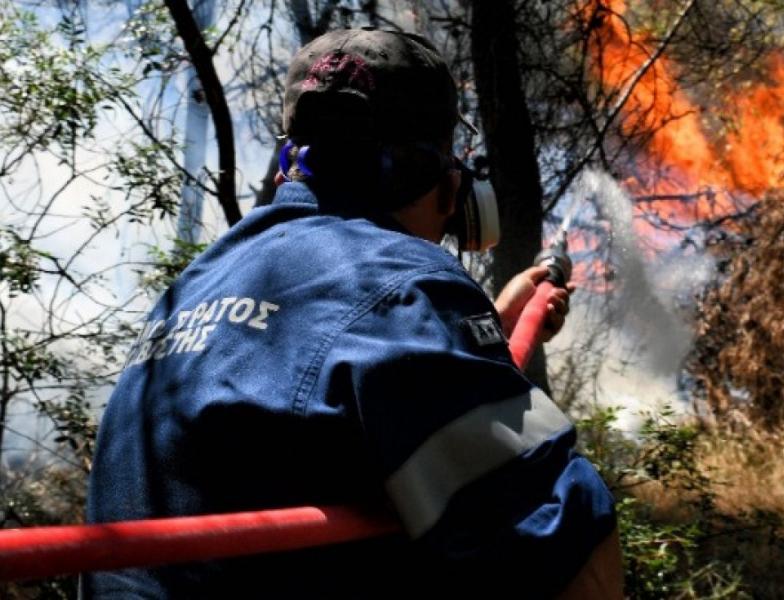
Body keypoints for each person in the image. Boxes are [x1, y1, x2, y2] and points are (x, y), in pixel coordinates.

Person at [84, 29, 622, 598]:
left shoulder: (192, 286)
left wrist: (483, 326)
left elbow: (306, 376)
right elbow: (567, 554)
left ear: (289, 164)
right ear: (445, 182)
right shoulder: (404, 288)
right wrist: (438, 313)